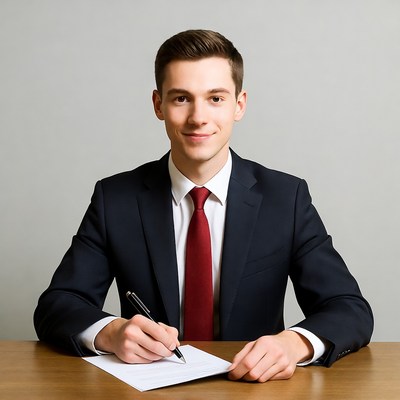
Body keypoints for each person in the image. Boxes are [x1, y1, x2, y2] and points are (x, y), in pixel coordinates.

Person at [34, 29, 373, 383]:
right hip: (150, 389)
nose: (198, 117)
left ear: (239, 105)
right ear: (158, 105)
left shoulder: (285, 198)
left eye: (215, 98)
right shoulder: (115, 199)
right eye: (181, 98)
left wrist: (293, 344)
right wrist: (111, 333)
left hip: (255, 389)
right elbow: (58, 305)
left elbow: (349, 309)